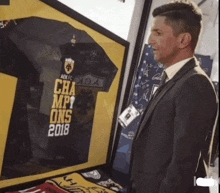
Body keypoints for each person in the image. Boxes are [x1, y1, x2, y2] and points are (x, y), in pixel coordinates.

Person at [128, 1, 218, 193]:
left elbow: (182, 167)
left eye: (158, 33)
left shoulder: (195, 84)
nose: (151, 40)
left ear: (183, 40)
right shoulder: (174, 79)